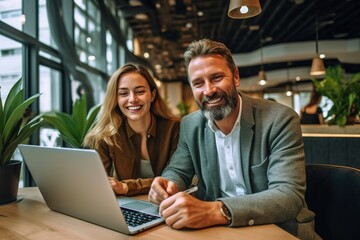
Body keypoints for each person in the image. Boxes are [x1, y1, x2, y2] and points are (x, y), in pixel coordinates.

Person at [148, 39, 320, 240]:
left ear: (236, 76)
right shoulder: (190, 124)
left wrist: (217, 211)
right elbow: (178, 170)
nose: (209, 90)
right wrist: (167, 185)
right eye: (198, 83)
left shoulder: (279, 119)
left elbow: (288, 196)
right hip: (219, 232)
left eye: (217, 77)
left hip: (280, 229)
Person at [84, 63, 180, 196]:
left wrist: (126, 187)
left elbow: (175, 179)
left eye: (140, 91)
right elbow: (99, 185)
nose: (132, 99)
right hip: (128, 206)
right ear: (116, 99)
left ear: (152, 95)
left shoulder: (175, 129)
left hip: (167, 202)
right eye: (123, 93)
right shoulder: (106, 136)